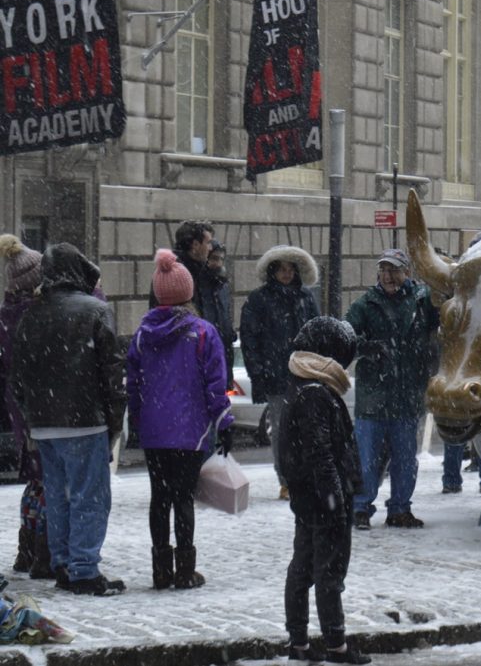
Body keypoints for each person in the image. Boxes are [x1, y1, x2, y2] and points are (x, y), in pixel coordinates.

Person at [9, 244, 127, 596]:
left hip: (45, 424)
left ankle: (62, 562)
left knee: (58, 497)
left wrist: (31, 416)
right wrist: (115, 423)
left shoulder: (32, 314)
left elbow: (17, 378)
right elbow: (112, 374)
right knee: (90, 496)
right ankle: (84, 569)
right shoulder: (96, 310)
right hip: (85, 419)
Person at [127, 250, 234, 590]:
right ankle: (186, 570)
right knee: (183, 498)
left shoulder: (143, 334)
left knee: (159, 498)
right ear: (189, 293)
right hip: (191, 432)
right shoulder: (203, 332)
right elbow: (216, 384)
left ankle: (160, 569)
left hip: (154, 432)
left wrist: (136, 420)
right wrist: (224, 422)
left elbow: (134, 383)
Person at [279, 317, 371, 664]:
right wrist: (335, 499)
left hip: (307, 497)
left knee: (303, 567)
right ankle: (336, 645)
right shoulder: (317, 393)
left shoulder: (302, 384)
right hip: (323, 499)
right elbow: (321, 453)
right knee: (328, 572)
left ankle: (299, 643)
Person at [346, 249, 440, 529]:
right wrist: (368, 348)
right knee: (366, 460)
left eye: (394, 270)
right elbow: (346, 338)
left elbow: (442, 327)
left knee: (405, 461)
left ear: (407, 273)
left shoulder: (422, 302)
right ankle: (360, 508)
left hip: (408, 398)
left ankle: (400, 509)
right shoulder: (365, 305)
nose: (388, 276)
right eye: (383, 270)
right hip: (372, 400)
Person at [240, 245, 321, 500]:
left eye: (290, 269)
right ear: (273, 271)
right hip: (276, 377)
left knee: (306, 430)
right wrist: (259, 373)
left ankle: (304, 475)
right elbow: (250, 339)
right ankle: (286, 480)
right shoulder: (259, 299)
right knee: (283, 432)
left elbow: (317, 332)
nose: (286, 274)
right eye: (282, 269)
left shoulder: (305, 298)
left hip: (304, 375)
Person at [0, 235, 51, 579]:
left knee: (35, 481)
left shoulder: (7, 316)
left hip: (21, 412)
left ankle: (27, 549)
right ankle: (42, 550)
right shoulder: (34, 316)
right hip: (44, 409)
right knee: (49, 482)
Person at [149, 220, 214, 311]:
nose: (210, 248)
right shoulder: (172, 273)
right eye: (208, 243)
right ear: (195, 245)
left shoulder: (200, 269)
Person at [206, 240, 237, 389]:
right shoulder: (199, 286)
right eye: (213, 258)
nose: (218, 263)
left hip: (222, 361)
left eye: (220, 259)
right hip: (206, 361)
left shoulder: (223, 287)